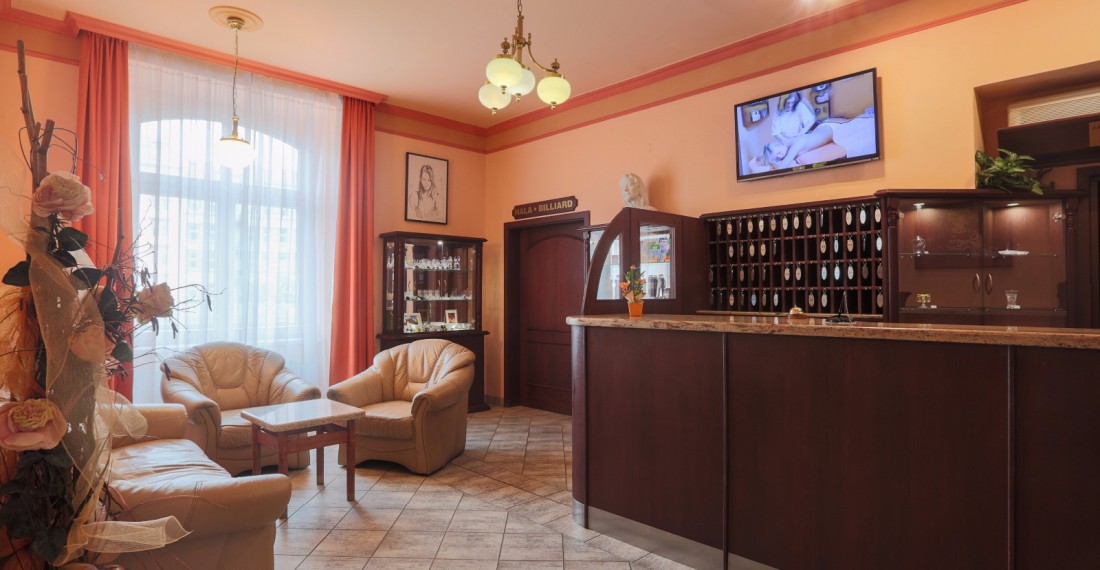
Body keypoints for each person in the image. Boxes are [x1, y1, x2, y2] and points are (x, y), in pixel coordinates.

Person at [763, 123, 836, 169]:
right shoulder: (786, 145)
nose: (780, 156)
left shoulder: (795, 144)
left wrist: (772, 162)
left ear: (779, 145)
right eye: (777, 158)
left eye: (778, 153)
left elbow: (781, 167)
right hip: (821, 129)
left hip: (832, 129)